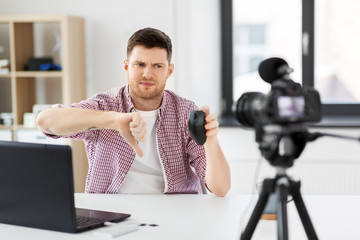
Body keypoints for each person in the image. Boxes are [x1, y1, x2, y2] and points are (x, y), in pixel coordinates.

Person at [36, 27, 231, 197]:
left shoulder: (186, 112)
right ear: (126, 66)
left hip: (177, 209)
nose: (148, 73)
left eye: (157, 66)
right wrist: (113, 120)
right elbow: (45, 121)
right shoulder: (105, 105)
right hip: (114, 211)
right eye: (140, 64)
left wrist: (211, 141)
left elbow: (220, 189)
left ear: (169, 71)